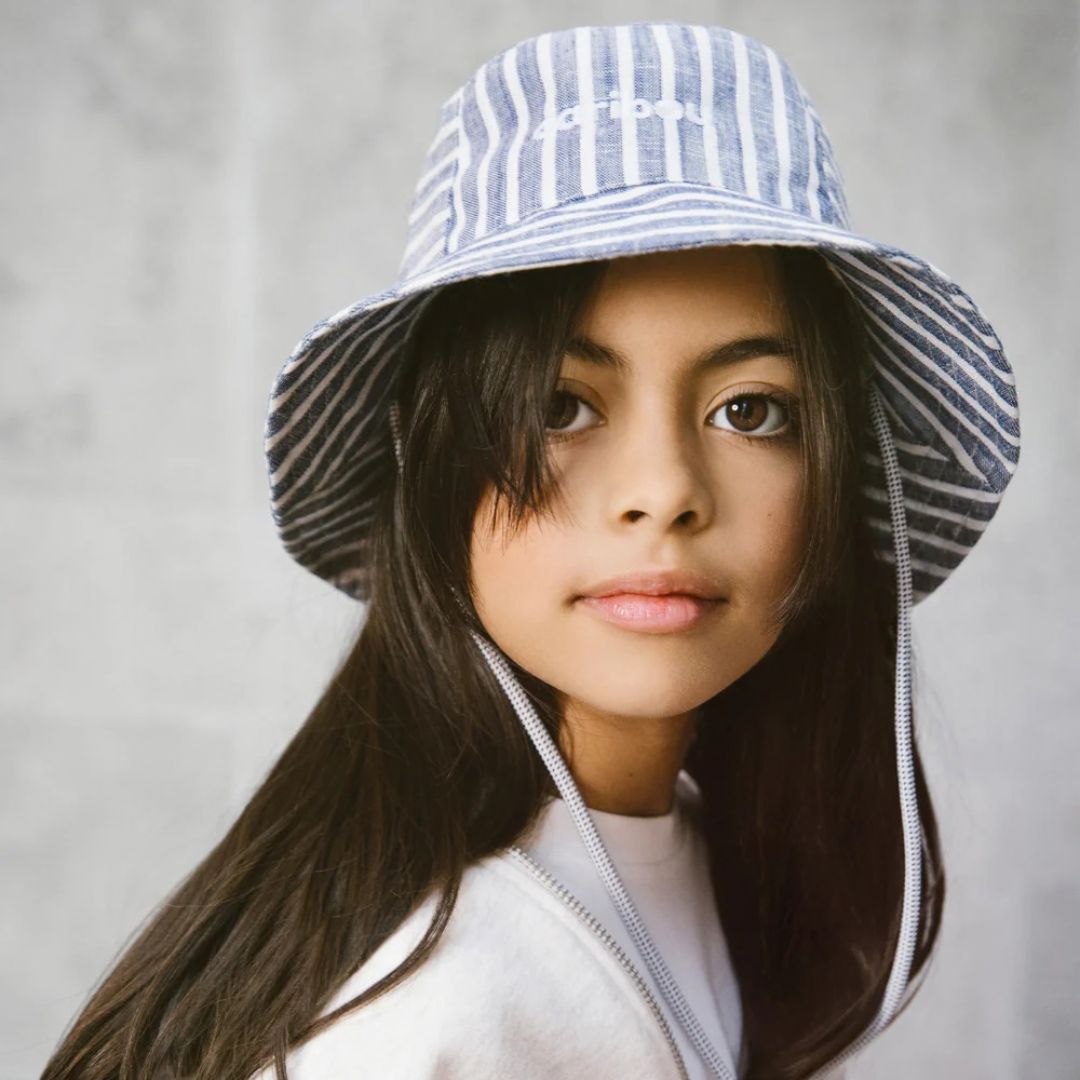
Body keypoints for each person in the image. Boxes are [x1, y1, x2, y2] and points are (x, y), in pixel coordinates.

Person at [41, 20, 1020, 1080]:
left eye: (751, 410)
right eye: (561, 405)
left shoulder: (704, 855)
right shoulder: (424, 1016)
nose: (664, 493)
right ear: (430, 462)